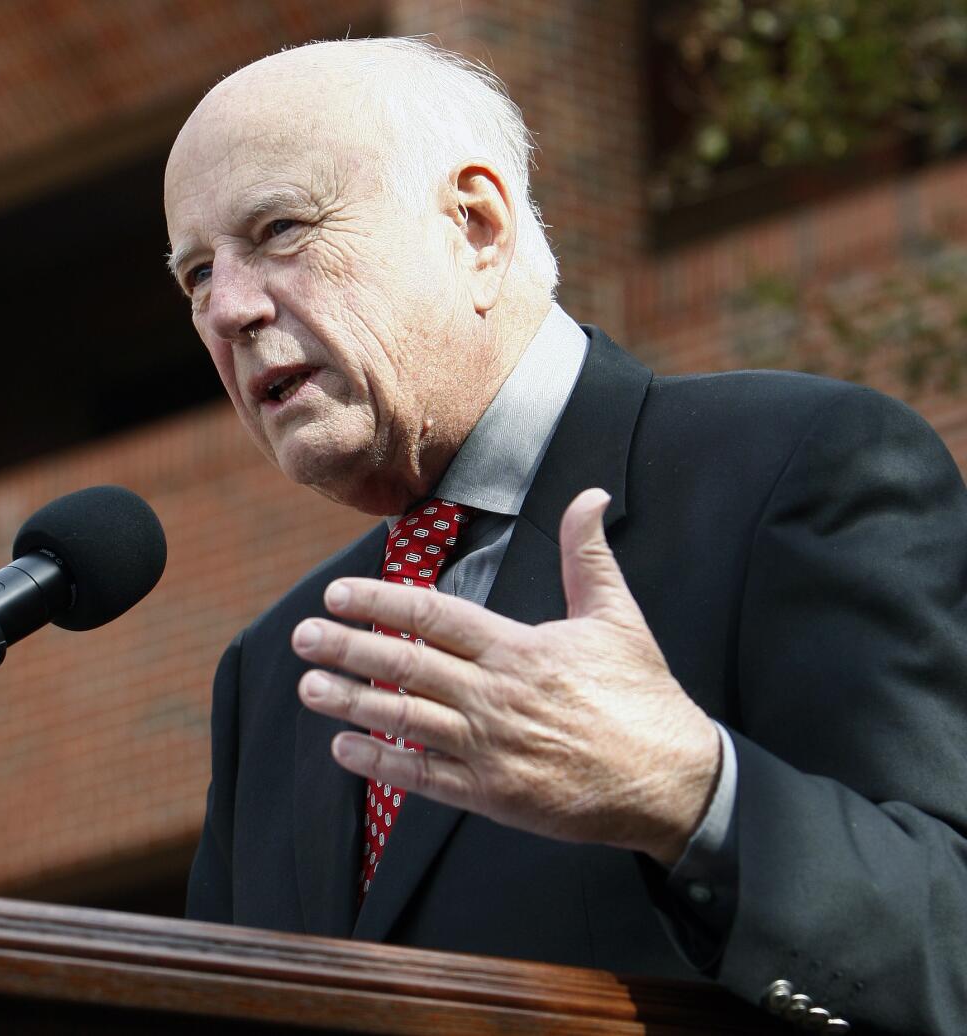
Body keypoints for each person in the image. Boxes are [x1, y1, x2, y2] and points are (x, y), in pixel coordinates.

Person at [162, 37, 967, 1034]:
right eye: (196, 274)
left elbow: (952, 943)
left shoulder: (795, 467)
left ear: (476, 224)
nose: (228, 308)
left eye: (278, 229)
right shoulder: (271, 671)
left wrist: (691, 792)